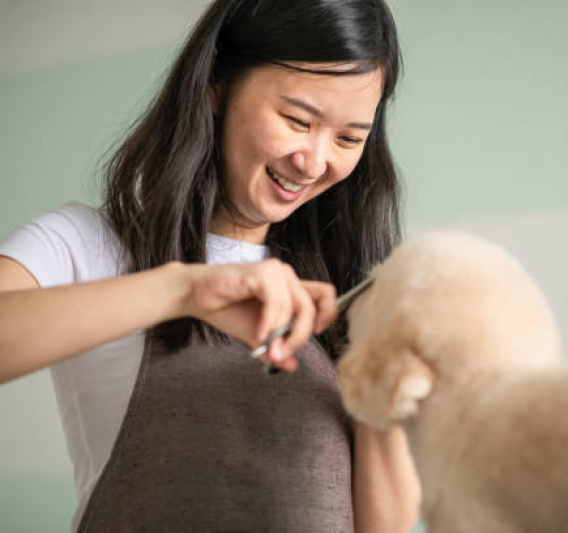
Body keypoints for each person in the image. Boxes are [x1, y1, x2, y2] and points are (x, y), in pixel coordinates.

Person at [0, 0, 420, 531]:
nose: (314, 162)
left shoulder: (347, 292)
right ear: (216, 83)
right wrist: (183, 291)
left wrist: (382, 368)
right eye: (297, 120)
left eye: (348, 138)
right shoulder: (85, 243)